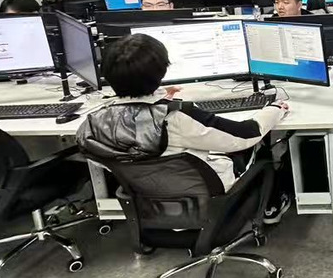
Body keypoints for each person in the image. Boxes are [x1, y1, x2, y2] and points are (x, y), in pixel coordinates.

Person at [76, 34, 294, 222]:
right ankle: (271, 205)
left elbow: (117, 155)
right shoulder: (175, 116)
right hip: (210, 203)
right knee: (260, 149)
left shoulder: (93, 124)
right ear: (162, 71)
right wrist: (276, 109)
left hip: (151, 207)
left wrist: (157, 99)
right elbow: (245, 135)